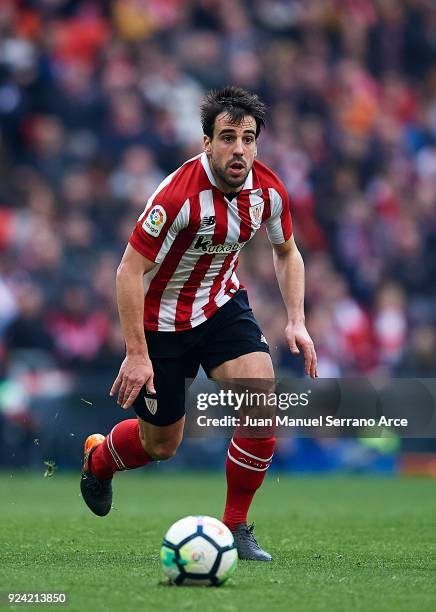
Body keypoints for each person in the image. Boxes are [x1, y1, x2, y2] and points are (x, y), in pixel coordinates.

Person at [80, 86, 317, 561]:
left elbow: (287, 251)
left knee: (260, 396)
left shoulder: (268, 190)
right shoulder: (176, 198)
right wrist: (136, 353)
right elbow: (128, 271)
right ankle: (100, 458)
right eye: (227, 138)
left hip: (220, 306)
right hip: (160, 323)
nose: (239, 149)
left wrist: (297, 319)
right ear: (206, 142)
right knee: (162, 444)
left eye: (248, 139)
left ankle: (235, 528)